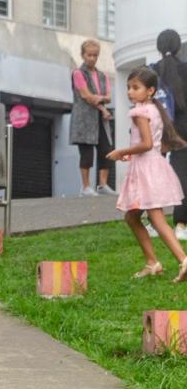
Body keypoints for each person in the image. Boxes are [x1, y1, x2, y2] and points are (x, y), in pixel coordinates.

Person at [106, 68, 187, 280]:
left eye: (135, 87)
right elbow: (153, 145)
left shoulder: (139, 112)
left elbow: (147, 144)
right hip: (151, 166)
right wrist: (130, 155)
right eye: (128, 87)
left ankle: (183, 259)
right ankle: (152, 262)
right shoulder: (153, 109)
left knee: (156, 216)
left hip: (146, 170)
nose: (130, 92)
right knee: (132, 217)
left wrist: (121, 151)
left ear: (150, 90)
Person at [70, 39, 115, 197]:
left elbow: (109, 97)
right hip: (84, 119)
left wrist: (100, 100)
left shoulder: (103, 75)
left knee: (106, 150)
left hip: (100, 118)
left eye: (95, 55)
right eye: (89, 55)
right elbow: (86, 96)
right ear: (83, 55)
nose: (92, 58)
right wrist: (102, 103)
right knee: (87, 152)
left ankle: (102, 185)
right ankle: (85, 187)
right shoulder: (78, 73)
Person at [153, 30, 187, 240]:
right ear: (179, 48)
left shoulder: (151, 71)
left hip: (156, 127)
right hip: (183, 129)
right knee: (183, 174)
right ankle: (182, 223)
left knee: (151, 173)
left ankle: (152, 221)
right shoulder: (185, 69)